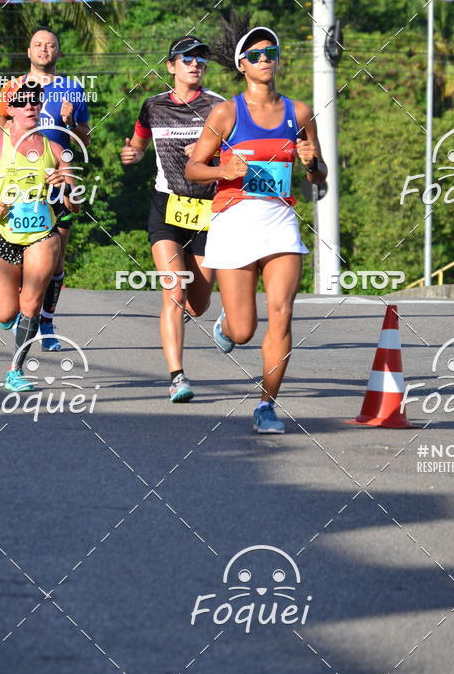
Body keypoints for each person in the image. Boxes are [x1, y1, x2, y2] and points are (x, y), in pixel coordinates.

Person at [186, 26, 327, 434]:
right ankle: (226, 325)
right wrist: (222, 169)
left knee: (281, 314)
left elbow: (319, 177)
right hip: (234, 223)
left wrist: (312, 163)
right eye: (257, 55)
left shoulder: (299, 113)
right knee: (244, 330)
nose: (266, 60)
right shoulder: (226, 113)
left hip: (280, 223)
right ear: (242, 65)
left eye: (272, 53)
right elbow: (194, 168)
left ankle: (267, 405)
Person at [120, 36, 224, 403]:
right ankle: (178, 377)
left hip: (208, 212)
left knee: (198, 303)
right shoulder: (153, 106)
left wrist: (208, 153)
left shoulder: (220, 107)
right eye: (186, 59)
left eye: (201, 59)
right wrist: (131, 154)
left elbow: (240, 154)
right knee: (174, 293)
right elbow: (138, 143)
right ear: (170, 66)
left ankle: (222, 322)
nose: (195, 64)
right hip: (166, 207)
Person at [0, 83, 78, 392]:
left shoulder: (54, 149)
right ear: (10, 109)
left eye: (36, 101)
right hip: (3, 234)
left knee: (31, 303)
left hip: (42, 234)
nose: (30, 106)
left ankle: (15, 369)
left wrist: (65, 184)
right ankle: (20, 321)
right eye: (22, 102)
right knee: (5, 313)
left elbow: (73, 204)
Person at [0, 27, 90, 351]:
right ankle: (21, 310)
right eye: (38, 45)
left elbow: (84, 138)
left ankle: (45, 321)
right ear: (29, 51)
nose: (44, 50)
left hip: (57, 180)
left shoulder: (73, 89)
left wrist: (69, 122)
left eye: (51, 45)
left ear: (58, 52)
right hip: (22, 183)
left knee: (56, 261)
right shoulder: (15, 86)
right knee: (21, 259)